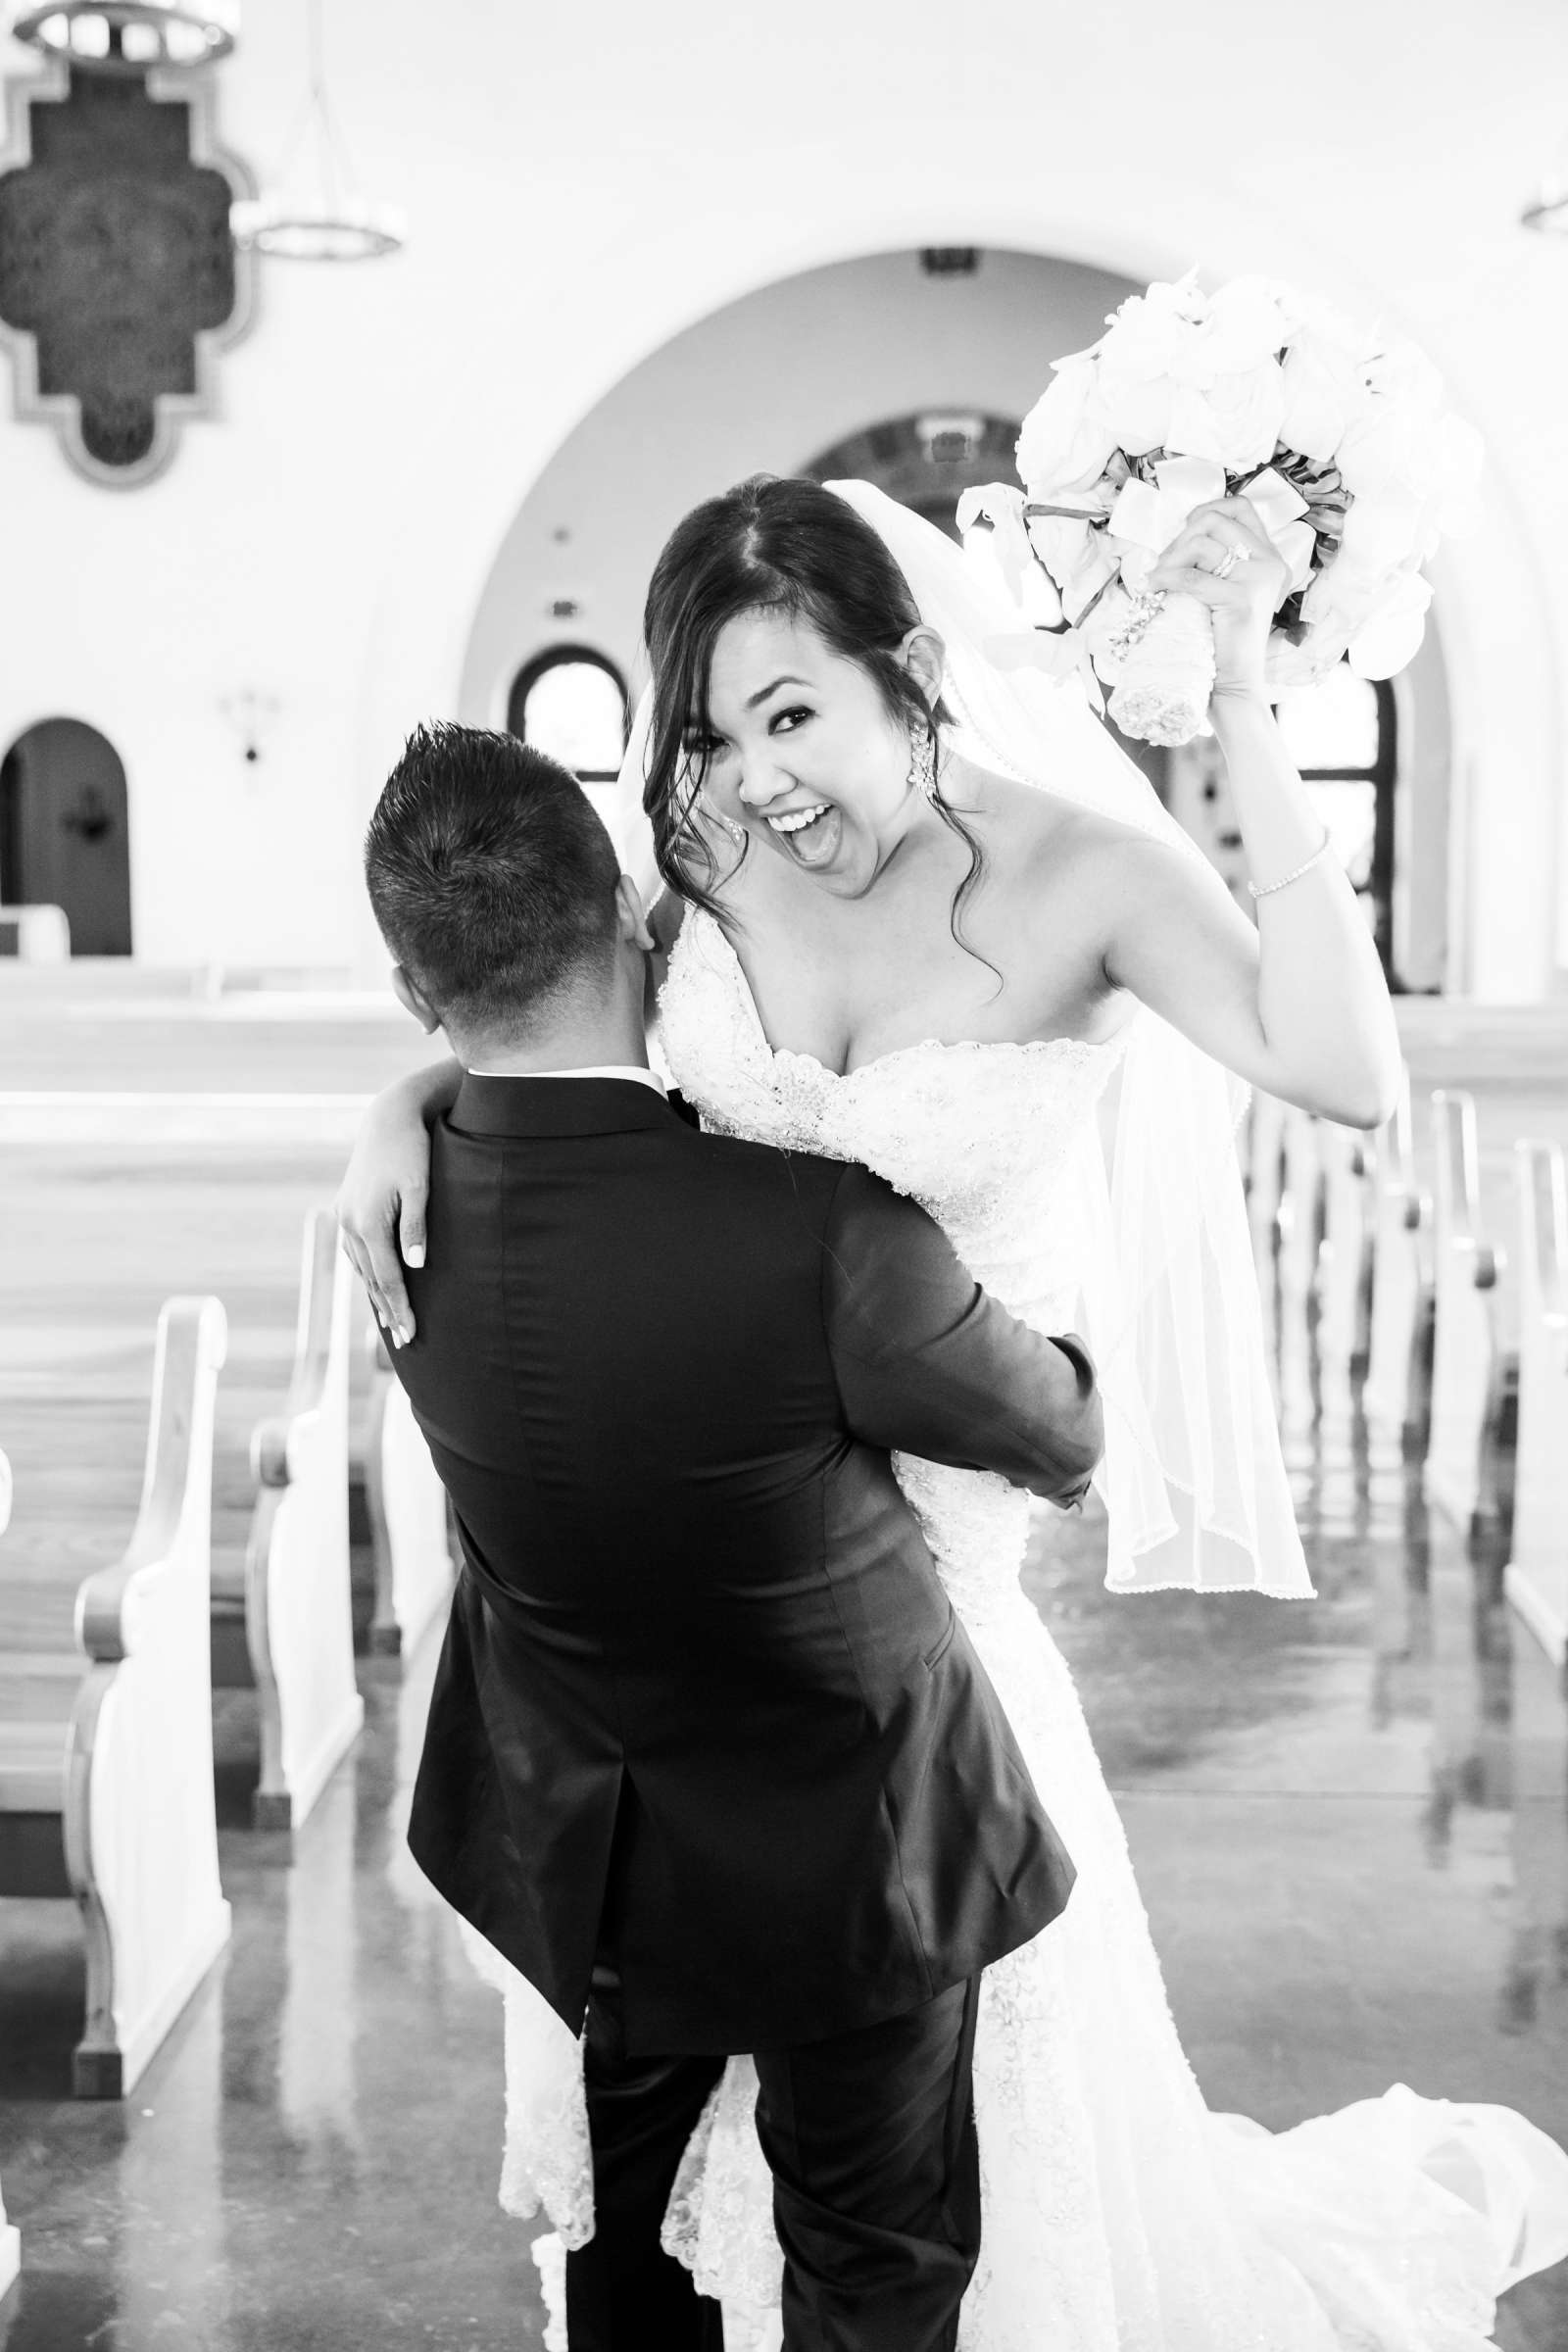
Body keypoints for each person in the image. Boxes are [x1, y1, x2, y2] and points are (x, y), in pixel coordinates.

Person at [340, 482, 1568, 2346]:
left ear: (911, 674)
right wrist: (399, 1110)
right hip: (704, 1601)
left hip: (928, 1621)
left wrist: (1247, 706)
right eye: (705, 734)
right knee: (688, 2187)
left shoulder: (1092, 876)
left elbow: (1345, 1074)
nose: (752, 787)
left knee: (944, 2148)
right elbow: (545, 1000)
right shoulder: (704, 856)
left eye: (791, 717)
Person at [359, 720, 1106, 2352]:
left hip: (592, 1852)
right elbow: (1056, 1430)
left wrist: (401, 1101)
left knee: (629, 2263)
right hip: (859, 1860)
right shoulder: (817, 1232)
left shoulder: (393, 1229)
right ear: (637, 905)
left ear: (419, 999)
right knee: (876, 2264)